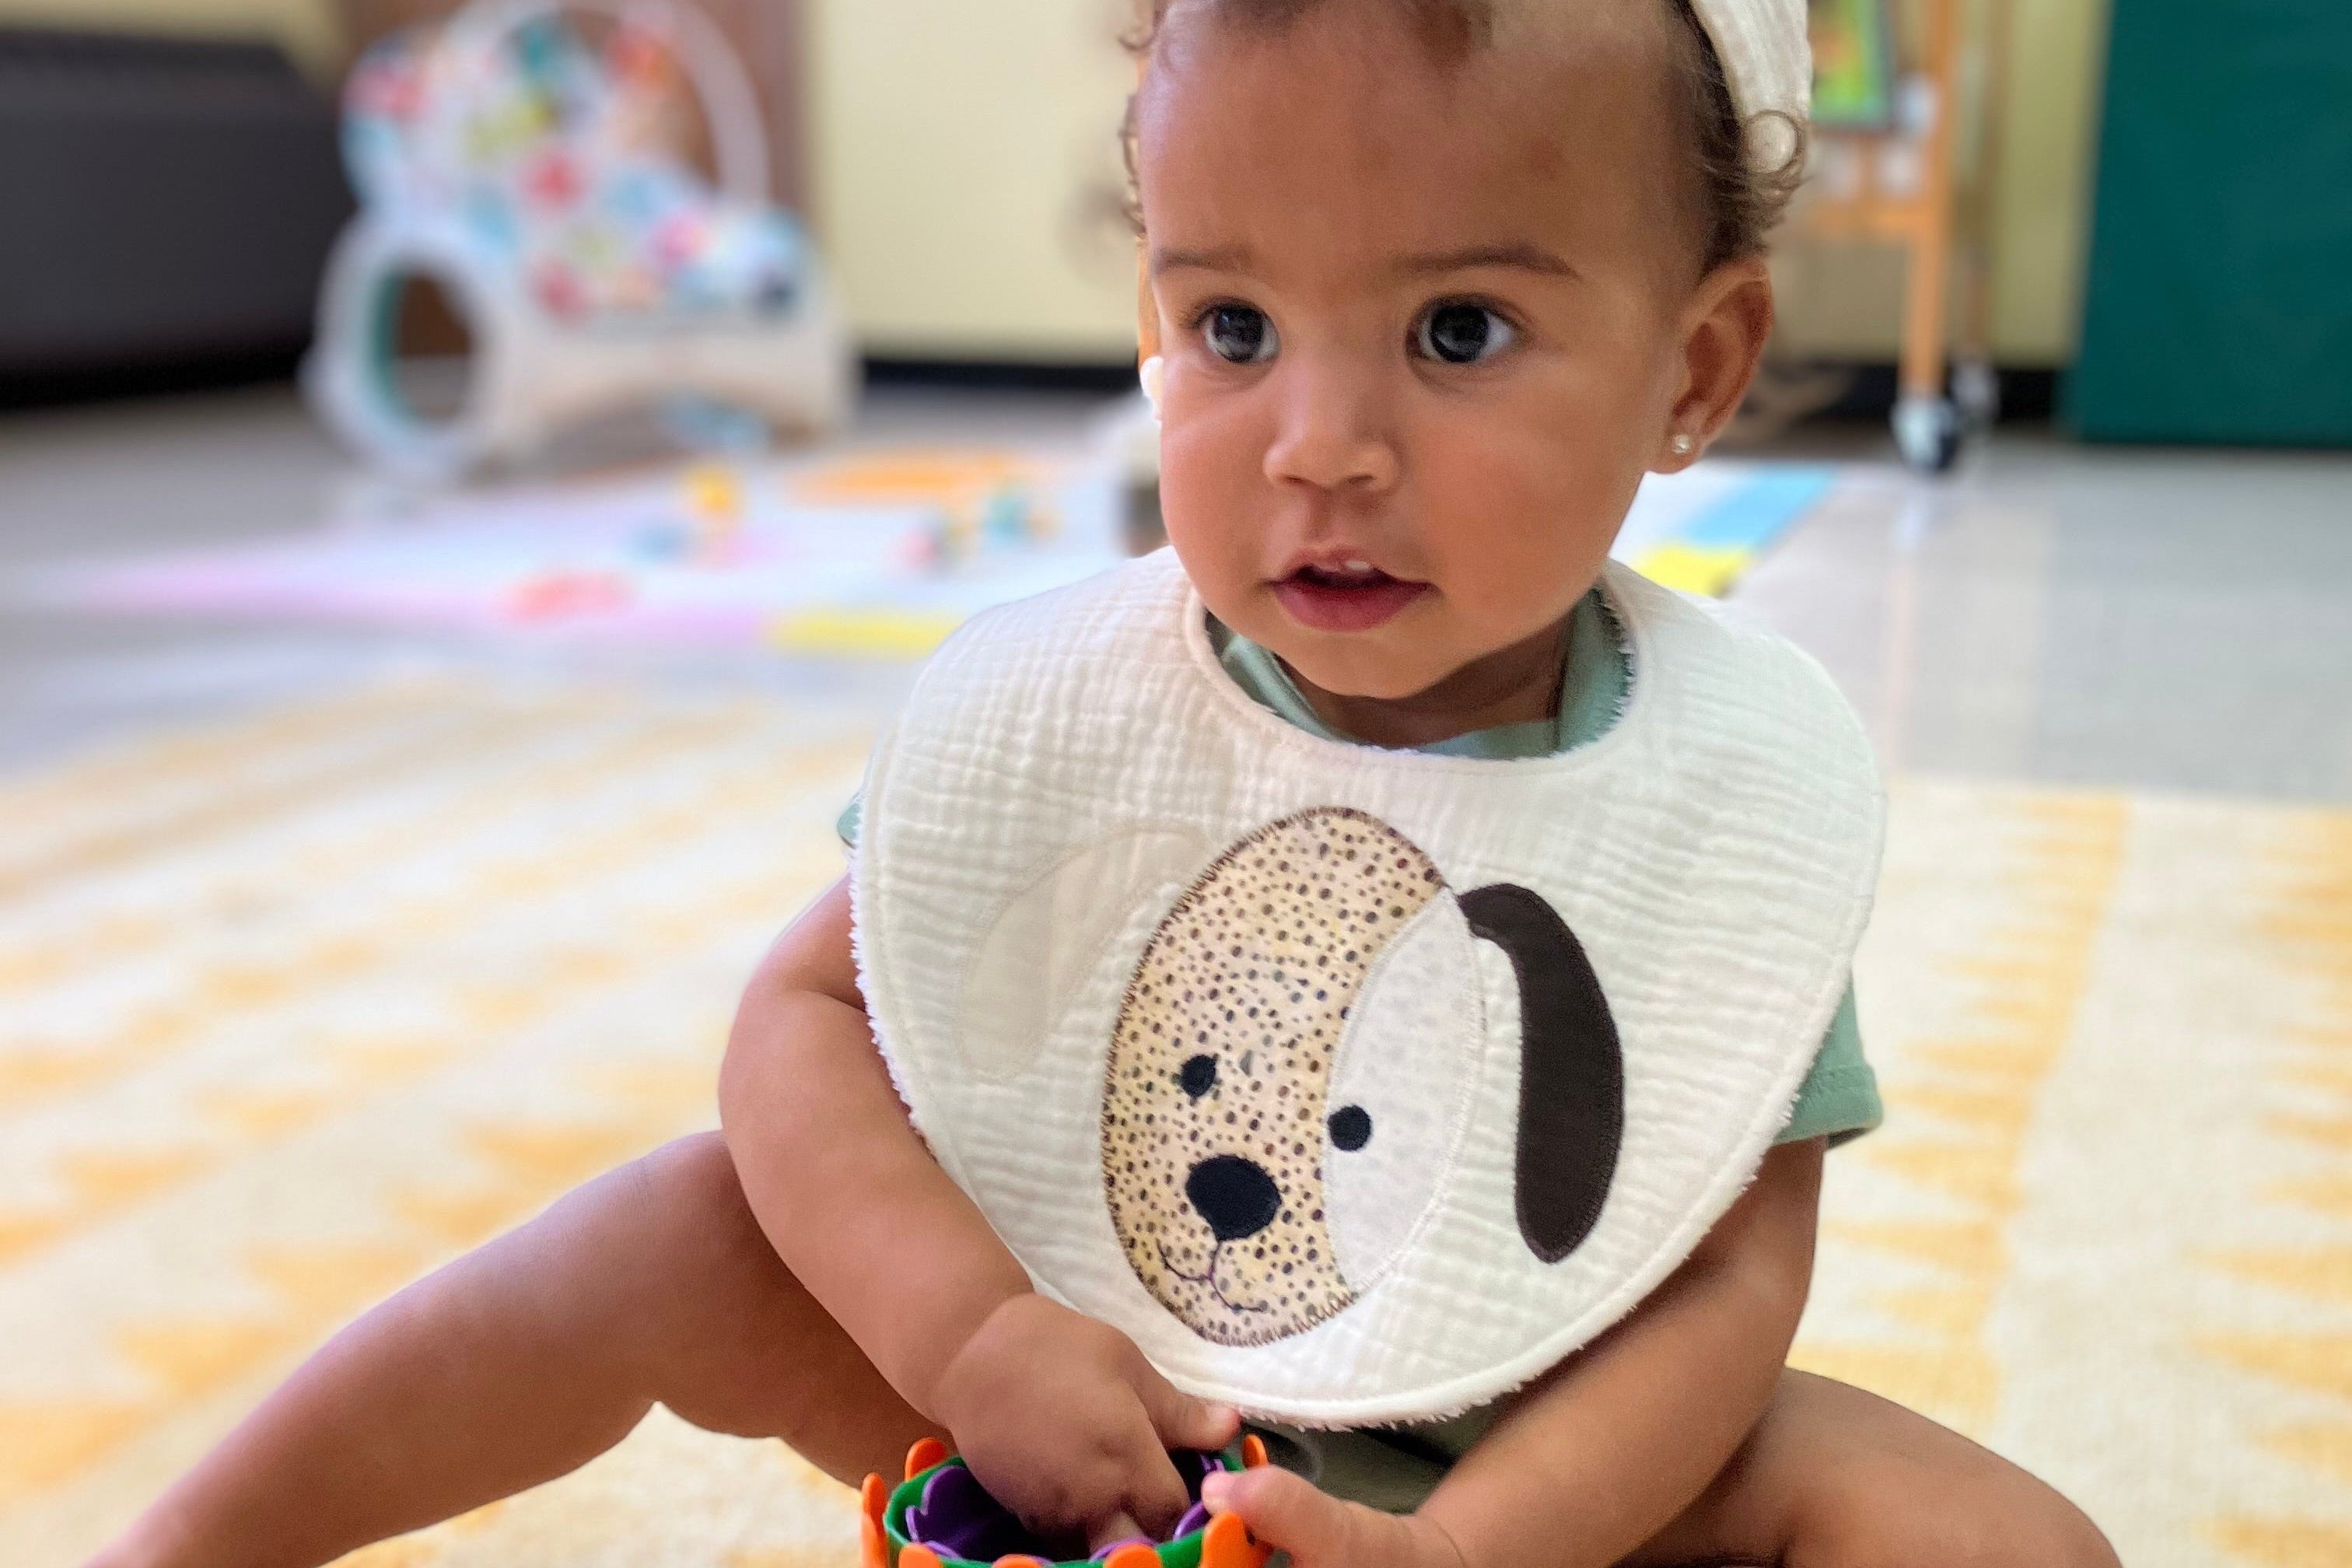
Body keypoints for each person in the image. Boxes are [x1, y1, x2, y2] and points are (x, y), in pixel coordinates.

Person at [92, 4, 2121, 1566]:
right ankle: (196, 1541)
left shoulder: (1714, 797)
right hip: (1080, 1390)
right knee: (676, 1232)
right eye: (1230, 322)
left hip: (1530, 1458)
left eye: (1459, 327)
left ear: (1693, 370)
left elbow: (1732, 1270)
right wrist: (968, 1334)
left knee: (2002, 1539)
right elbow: (804, 1024)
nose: (1318, 441)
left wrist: (1491, 1541)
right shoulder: (1088, 716)